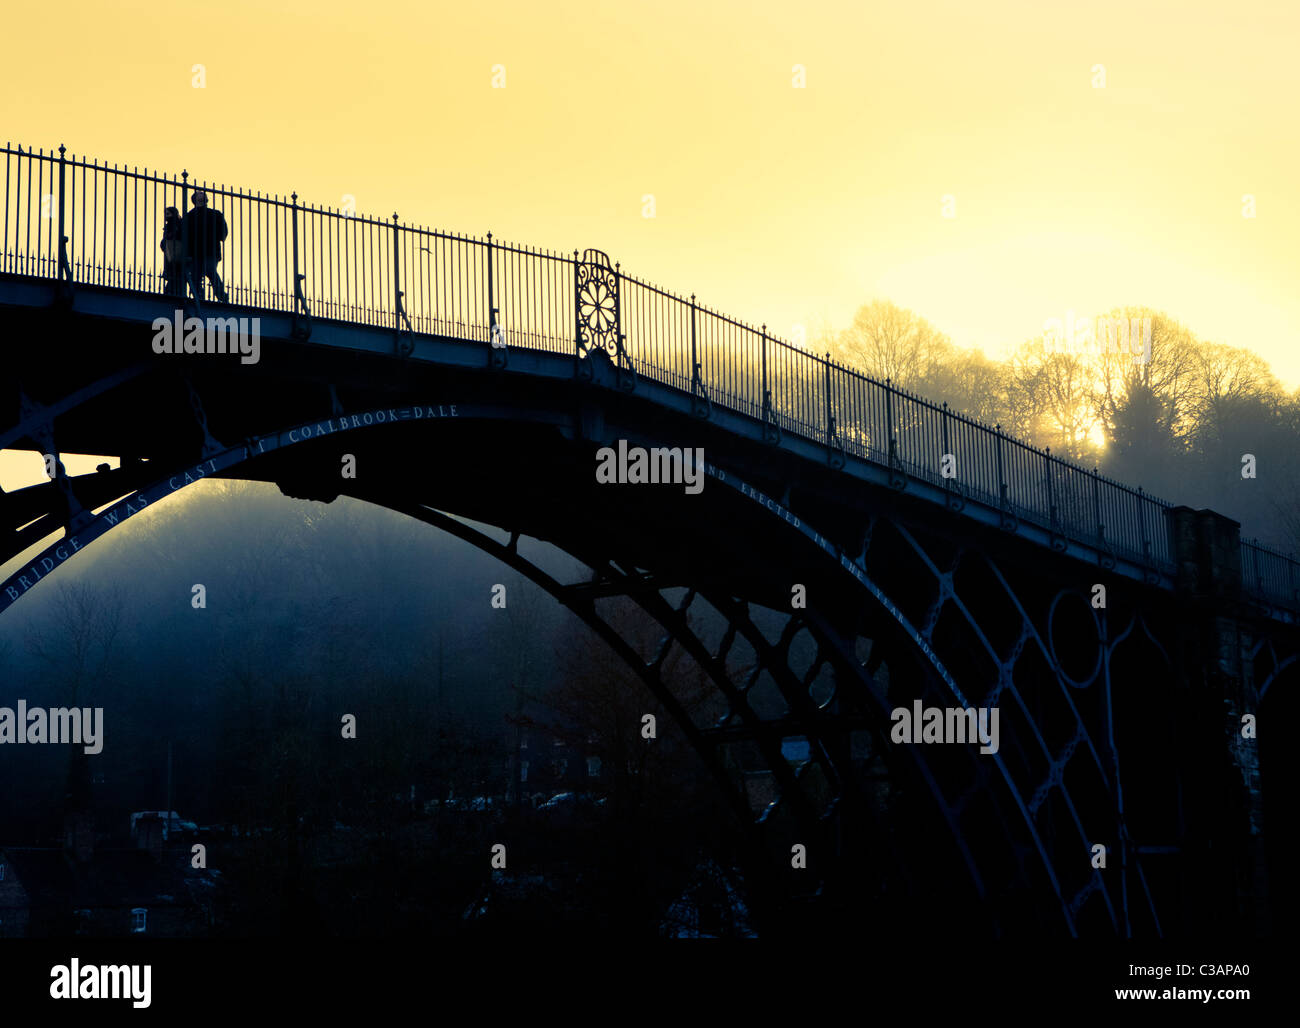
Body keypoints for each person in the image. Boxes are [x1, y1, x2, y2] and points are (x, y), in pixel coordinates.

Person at [183, 189, 229, 303]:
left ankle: (221, 296)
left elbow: (223, 232)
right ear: (194, 199)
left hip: (211, 250)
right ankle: (199, 297)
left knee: (210, 270)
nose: (202, 194)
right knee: (196, 275)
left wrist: (217, 237)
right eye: (199, 193)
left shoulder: (216, 214)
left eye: (203, 193)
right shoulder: (189, 216)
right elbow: (184, 235)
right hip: (195, 251)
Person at [160, 206, 185, 297]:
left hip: (177, 260)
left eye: (168, 214)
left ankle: (175, 307)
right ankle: (177, 308)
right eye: (165, 214)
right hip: (172, 259)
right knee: (176, 285)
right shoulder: (170, 226)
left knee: (175, 285)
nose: (166, 216)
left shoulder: (177, 225)